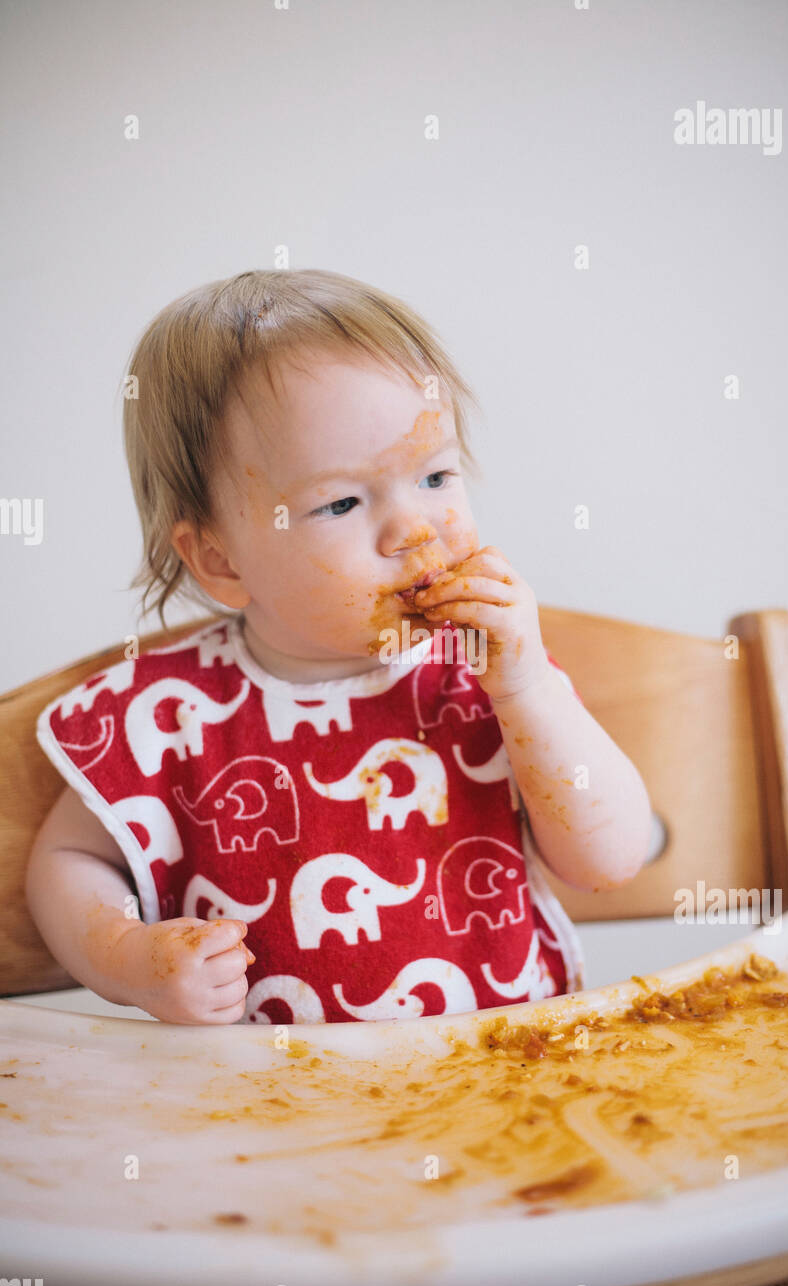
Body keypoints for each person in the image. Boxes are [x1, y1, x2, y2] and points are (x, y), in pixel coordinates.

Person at [26, 268, 652, 1025]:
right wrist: (130, 959)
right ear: (220, 559)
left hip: (507, 1086)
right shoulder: (168, 713)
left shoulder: (488, 675)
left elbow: (610, 860)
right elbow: (71, 860)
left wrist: (524, 686)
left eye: (435, 475)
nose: (415, 530)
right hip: (277, 1113)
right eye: (343, 501)